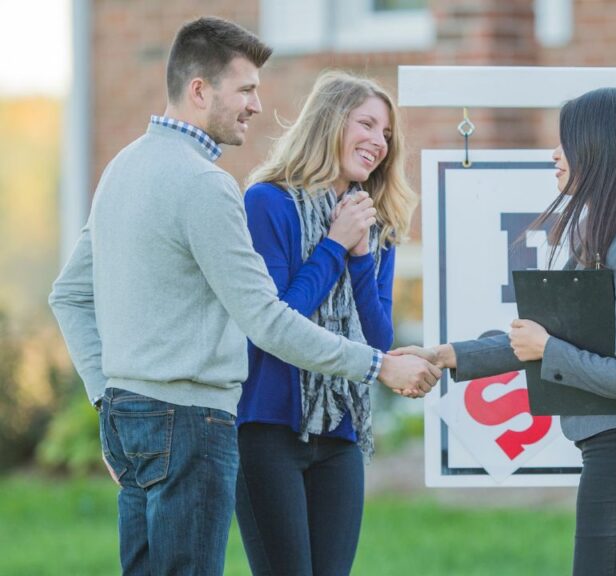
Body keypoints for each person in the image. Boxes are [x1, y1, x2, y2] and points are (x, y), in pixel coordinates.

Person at [48, 17, 438, 575]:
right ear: (200, 90)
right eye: (247, 89)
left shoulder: (121, 168)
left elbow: (68, 296)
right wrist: (376, 365)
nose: (257, 105)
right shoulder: (213, 188)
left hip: (136, 414)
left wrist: (106, 398)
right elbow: (267, 319)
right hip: (196, 420)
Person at [394, 87, 616, 576]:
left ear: (601, 150)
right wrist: (443, 355)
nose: (554, 154)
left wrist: (550, 347)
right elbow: (537, 342)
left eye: (568, 143)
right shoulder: (609, 242)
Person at [233, 71, 416, 576]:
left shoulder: (375, 222)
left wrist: (359, 256)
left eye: (387, 134)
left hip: (340, 433)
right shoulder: (266, 203)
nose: (379, 143)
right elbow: (275, 323)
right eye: (368, 124)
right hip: (268, 428)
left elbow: (377, 339)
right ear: (330, 122)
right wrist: (334, 246)